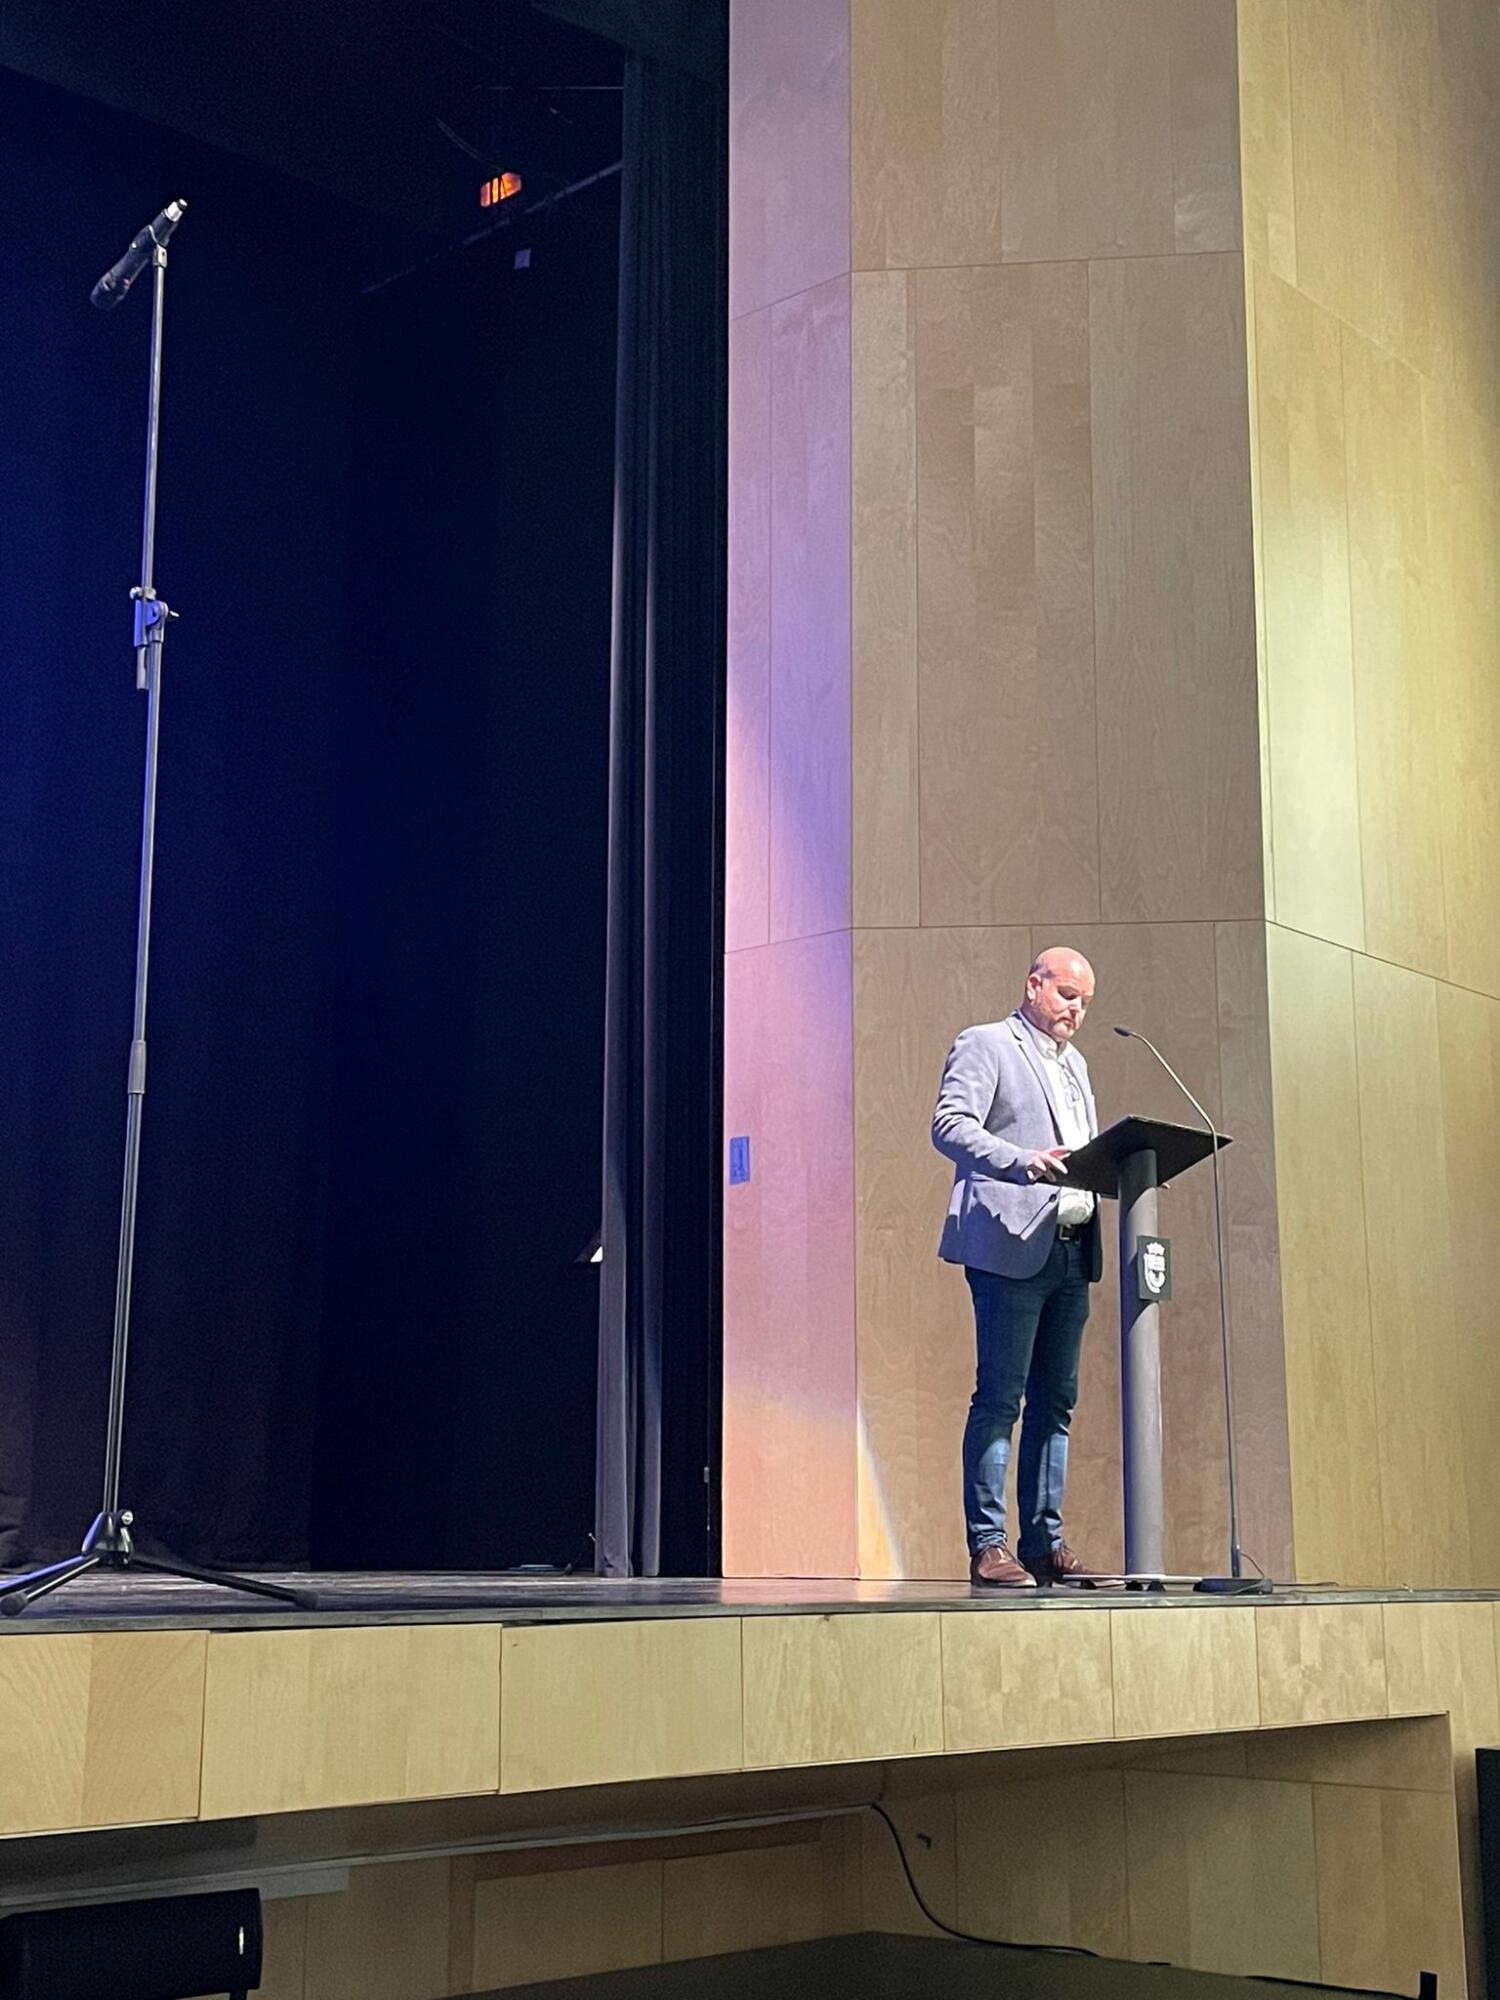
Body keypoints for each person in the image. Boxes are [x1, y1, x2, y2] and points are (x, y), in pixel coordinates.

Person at [931, 948, 1108, 1588]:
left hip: (1071, 1247)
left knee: (1055, 1402)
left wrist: (1124, 1173)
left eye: (1085, 1002)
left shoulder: (1076, 1064)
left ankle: (1044, 1543)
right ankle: (988, 1545)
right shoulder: (986, 1044)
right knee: (1000, 1397)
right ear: (1034, 985)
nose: (1076, 1011)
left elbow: (1080, 1152)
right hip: (1010, 1243)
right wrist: (1021, 1160)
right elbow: (949, 1126)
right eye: (1066, 995)